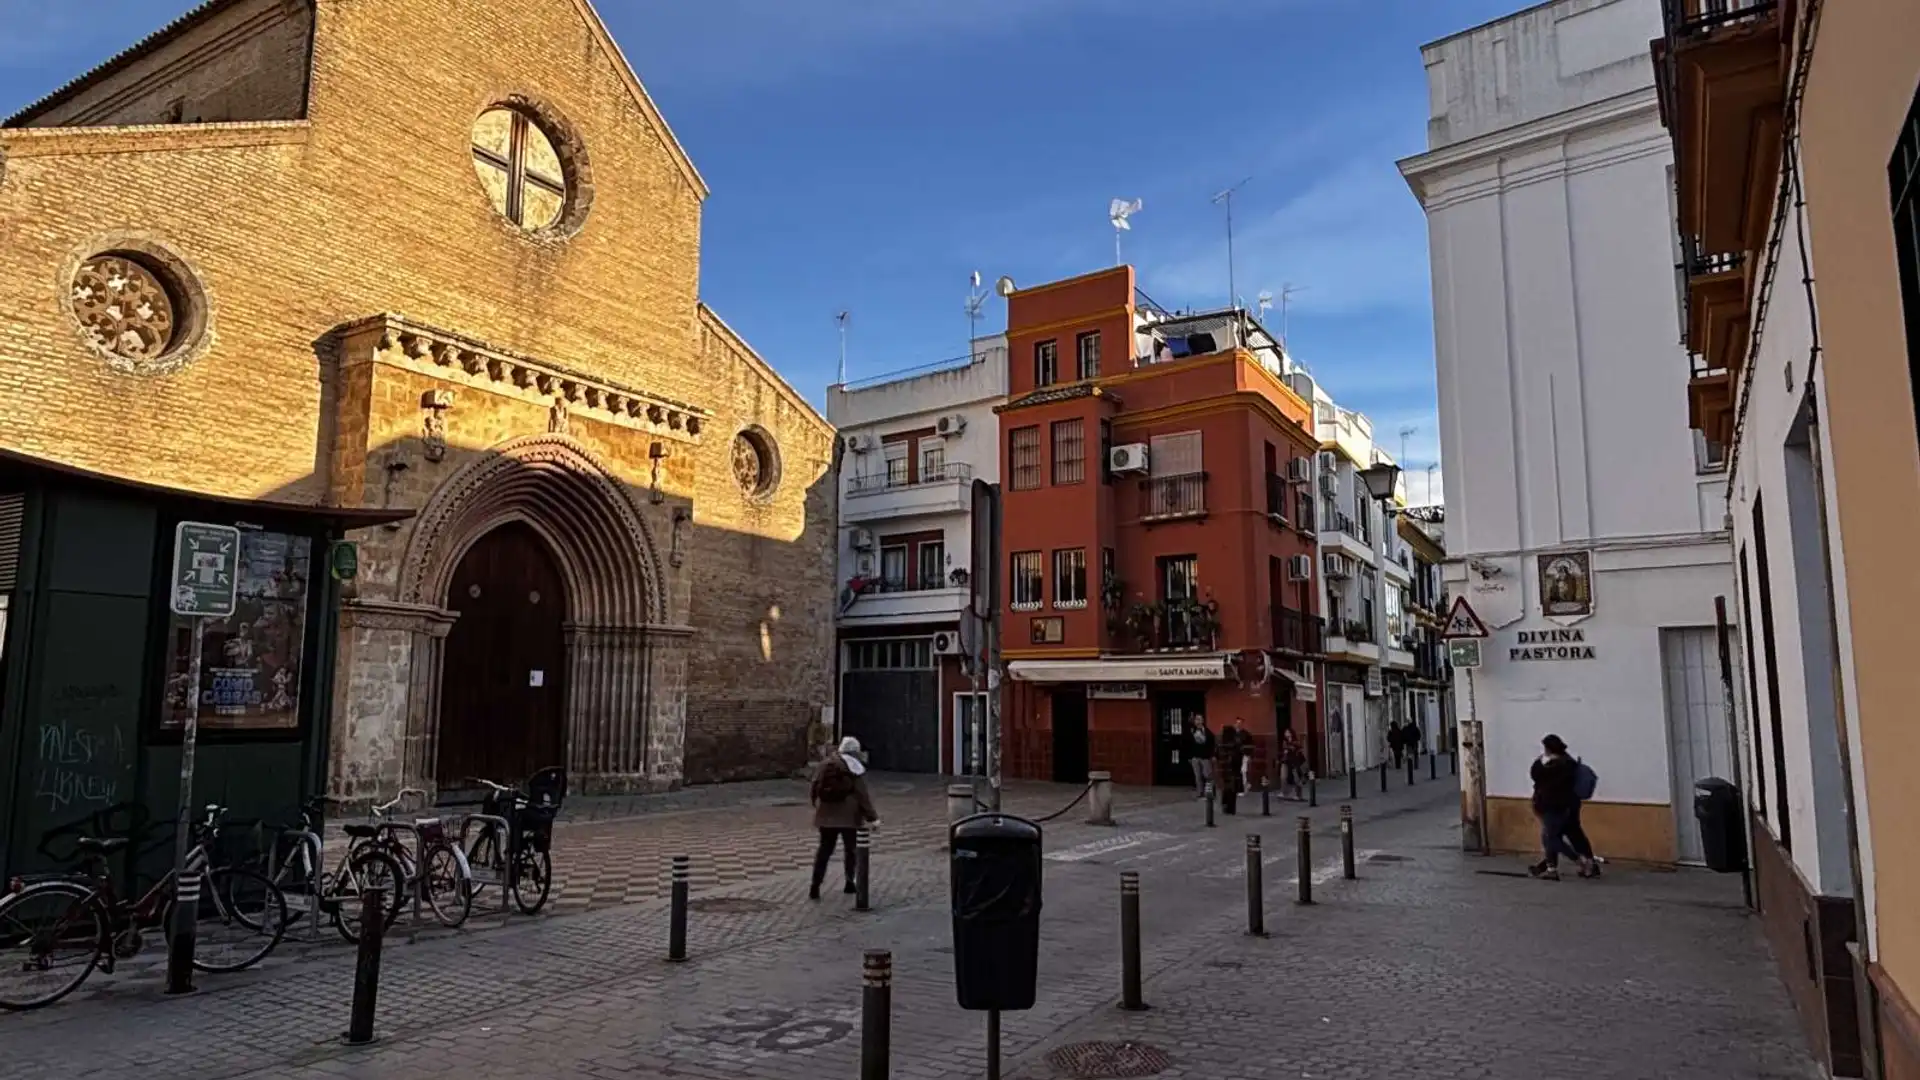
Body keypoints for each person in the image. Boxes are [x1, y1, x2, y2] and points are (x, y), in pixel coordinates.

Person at [809, 735, 880, 900]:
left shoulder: (825, 764)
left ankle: (815, 885)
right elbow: (863, 796)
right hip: (849, 817)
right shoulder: (854, 767)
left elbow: (814, 785)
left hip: (825, 816)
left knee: (824, 851)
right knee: (851, 850)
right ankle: (850, 882)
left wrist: (816, 803)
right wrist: (873, 817)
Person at [1528, 734, 1596, 880]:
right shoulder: (1568, 762)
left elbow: (1536, 774)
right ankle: (1552, 868)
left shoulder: (1557, 766)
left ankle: (1579, 861)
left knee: (1551, 838)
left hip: (1554, 807)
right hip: (1567, 806)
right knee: (1572, 835)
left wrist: (1540, 761)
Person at [1217, 722, 1243, 814]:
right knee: (1232, 789)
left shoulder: (1221, 743)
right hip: (1233, 768)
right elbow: (1239, 755)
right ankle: (1231, 808)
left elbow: (1218, 755)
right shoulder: (1235, 743)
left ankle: (1225, 806)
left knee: (1226, 788)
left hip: (1224, 768)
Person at [1188, 716, 1215, 797]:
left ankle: (1209, 792)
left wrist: (1212, 755)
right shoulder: (1192, 731)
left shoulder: (1207, 732)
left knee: (1207, 776)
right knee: (1197, 776)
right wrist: (1190, 756)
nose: (1197, 721)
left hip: (1205, 757)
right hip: (1195, 757)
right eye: (1196, 720)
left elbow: (1212, 744)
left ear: (1202, 721)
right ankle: (1200, 793)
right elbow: (1188, 745)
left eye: (1199, 719)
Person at [1279, 729, 1307, 800]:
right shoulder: (1285, 742)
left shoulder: (1296, 742)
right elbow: (1284, 751)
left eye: (1288, 732)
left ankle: (1298, 795)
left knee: (1297, 778)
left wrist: (1289, 749)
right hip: (1286, 761)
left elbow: (1298, 749)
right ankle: (1284, 792)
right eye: (1285, 732)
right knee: (1283, 777)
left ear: (1291, 733)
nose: (1286, 733)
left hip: (1294, 762)